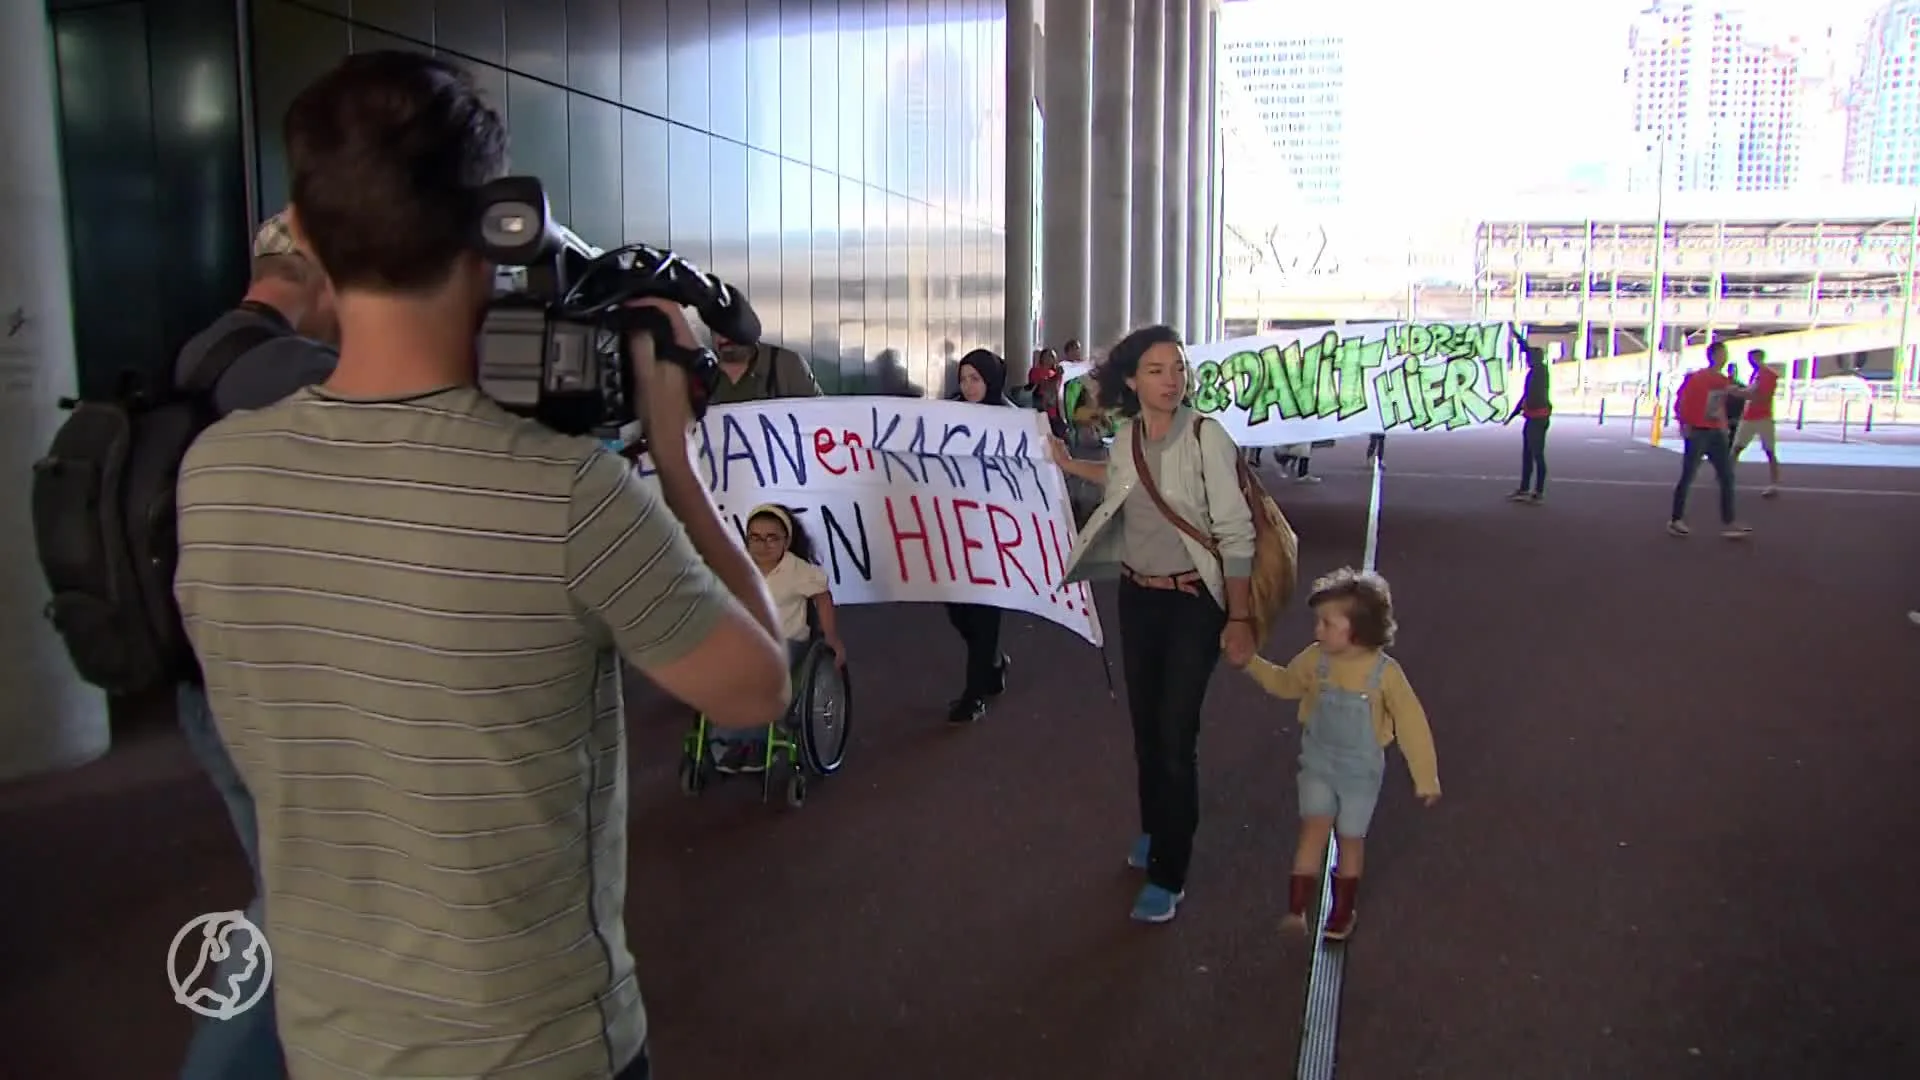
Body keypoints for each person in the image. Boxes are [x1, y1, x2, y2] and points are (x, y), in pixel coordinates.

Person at [172, 51, 792, 1080]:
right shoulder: (570, 494)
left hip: (330, 1045)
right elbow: (758, 687)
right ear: (492, 230)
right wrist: (676, 466)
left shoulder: (216, 472)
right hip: (537, 1048)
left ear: (309, 241)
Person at [172, 209, 339, 1080]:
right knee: (301, 904)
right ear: (317, 277)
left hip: (205, 676)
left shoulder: (200, 356)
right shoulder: (286, 375)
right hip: (263, 686)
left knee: (295, 892)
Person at [1052, 324, 1257, 923]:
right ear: (1133, 380)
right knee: (1146, 729)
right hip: (1137, 599)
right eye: (1157, 370)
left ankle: (1170, 871)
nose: (1173, 380)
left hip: (1195, 602)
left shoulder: (1205, 439)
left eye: (1178, 368)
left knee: (1174, 738)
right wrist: (1069, 464)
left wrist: (1239, 616)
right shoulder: (1128, 437)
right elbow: (1122, 483)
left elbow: (1236, 531)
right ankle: (1155, 827)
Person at [1233, 568, 1439, 941]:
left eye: (1327, 623)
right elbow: (1285, 683)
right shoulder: (1316, 660)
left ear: (1357, 629)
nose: (1317, 630)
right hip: (1318, 763)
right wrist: (1251, 663)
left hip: (1360, 773)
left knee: (1350, 838)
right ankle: (1296, 909)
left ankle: (1343, 911)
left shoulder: (1385, 674)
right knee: (1312, 829)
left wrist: (1425, 777)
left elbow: (1412, 724)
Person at [709, 504, 846, 772]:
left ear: (787, 540)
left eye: (772, 537)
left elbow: (822, 597)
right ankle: (728, 739)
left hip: (787, 641)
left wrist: (831, 636)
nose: (763, 544)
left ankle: (754, 743)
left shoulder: (798, 571)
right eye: (755, 537)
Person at [944, 348, 1016, 723]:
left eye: (976, 378)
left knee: (985, 612)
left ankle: (973, 696)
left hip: (994, 534)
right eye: (963, 378)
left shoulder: (1009, 420)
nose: (968, 386)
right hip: (955, 531)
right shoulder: (945, 414)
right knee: (956, 610)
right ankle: (991, 662)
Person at [1668, 342, 1753, 539]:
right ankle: (1676, 519)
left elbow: (1734, 394)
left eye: (1726, 354)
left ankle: (1729, 520)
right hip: (1698, 432)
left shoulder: (1722, 380)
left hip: (1716, 432)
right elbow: (1682, 402)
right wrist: (1684, 423)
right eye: (1722, 354)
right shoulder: (1699, 378)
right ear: (1713, 356)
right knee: (1688, 475)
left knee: (1726, 476)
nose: (1725, 357)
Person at [710, 330, 822, 402]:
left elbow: (817, 418)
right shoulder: (699, 371)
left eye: (730, 327)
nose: (723, 338)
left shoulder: (787, 365)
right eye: (715, 329)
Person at [1731, 348, 1782, 498]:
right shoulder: (1757, 374)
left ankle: (1774, 483)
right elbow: (1752, 393)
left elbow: (1762, 397)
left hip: (1763, 417)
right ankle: (1727, 476)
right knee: (1736, 448)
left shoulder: (1768, 375)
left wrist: (1739, 393)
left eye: (1753, 359)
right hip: (1749, 416)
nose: (1751, 362)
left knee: (1769, 450)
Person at [1506, 344, 1552, 503]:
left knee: (1537, 454)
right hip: (1531, 417)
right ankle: (1524, 488)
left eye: (1529, 358)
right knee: (1527, 454)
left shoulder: (1541, 370)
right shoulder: (1533, 372)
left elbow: (1528, 349)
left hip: (1539, 418)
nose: (1527, 360)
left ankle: (1538, 491)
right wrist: (1513, 414)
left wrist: (1517, 336)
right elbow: (1525, 395)